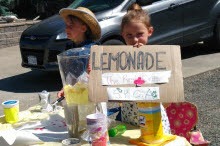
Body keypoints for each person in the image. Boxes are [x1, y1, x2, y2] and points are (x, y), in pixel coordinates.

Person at [120, 3, 171, 134]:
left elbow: (168, 94)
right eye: (129, 35)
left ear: (150, 31)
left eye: (139, 34)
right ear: (122, 35)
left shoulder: (158, 58)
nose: (135, 39)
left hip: (154, 116)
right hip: (129, 117)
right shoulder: (119, 59)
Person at [57, 7, 101, 98]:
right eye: (66, 26)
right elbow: (71, 75)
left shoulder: (93, 49)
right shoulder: (69, 47)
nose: (66, 29)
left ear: (83, 28)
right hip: (76, 95)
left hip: (91, 96)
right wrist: (65, 88)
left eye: (70, 26)